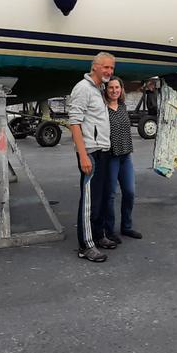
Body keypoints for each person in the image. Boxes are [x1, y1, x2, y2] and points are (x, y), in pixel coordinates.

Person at [67, 52, 118, 262]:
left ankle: (98, 236)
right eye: (106, 67)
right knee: (89, 201)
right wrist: (83, 155)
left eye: (112, 68)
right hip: (91, 152)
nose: (109, 71)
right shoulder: (83, 88)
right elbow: (75, 122)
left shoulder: (99, 90)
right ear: (94, 67)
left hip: (103, 150)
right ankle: (85, 246)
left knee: (100, 198)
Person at [102, 77, 141, 242]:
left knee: (130, 192)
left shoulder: (123, 106)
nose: (114, 90)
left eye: (117, 87)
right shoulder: (103, 109)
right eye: (111, 88)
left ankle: (126, 226)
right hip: (111, 157)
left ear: (121, 89)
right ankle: (109, 231)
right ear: (106, 90)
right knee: (110, 194)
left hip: (126, 156)